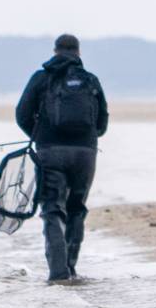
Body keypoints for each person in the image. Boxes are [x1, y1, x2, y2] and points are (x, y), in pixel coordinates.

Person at [15, 34, 109, 282]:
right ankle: (71, 268)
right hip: (85, 153)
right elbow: (102, 123)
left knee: (52, 210)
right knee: (76, 209)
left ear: (55, 51)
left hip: (50, 151)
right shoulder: (90, 80)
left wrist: (40, 137)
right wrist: (86, 138)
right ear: (78, 52)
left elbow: (22, 114)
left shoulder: (41, 78)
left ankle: (58, 274)